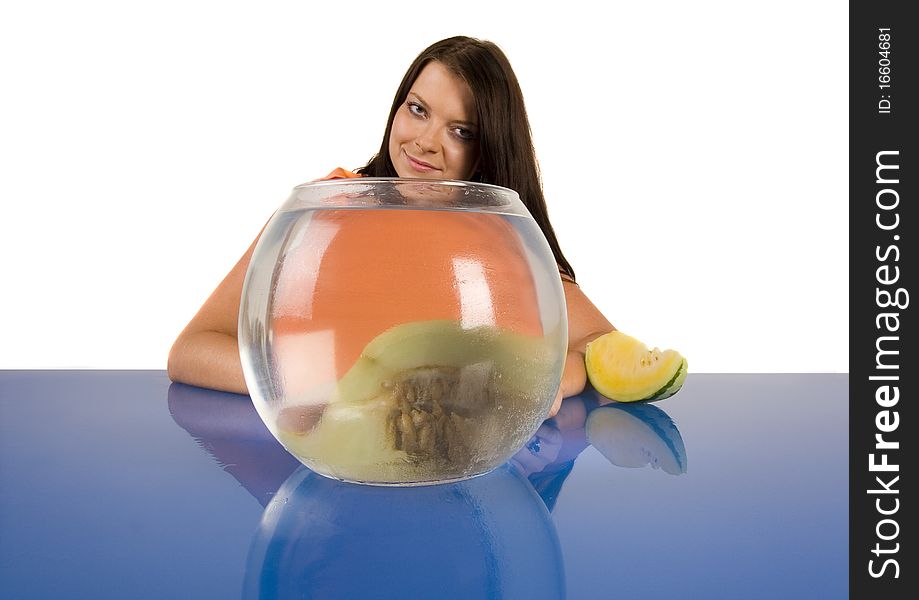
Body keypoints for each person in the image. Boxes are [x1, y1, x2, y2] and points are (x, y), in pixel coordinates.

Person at [167, 36, 615, 418]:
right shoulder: (319, 213)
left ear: (489, 150)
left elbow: (602, 343)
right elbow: (192, 350)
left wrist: (556, 380)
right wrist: (326, 390)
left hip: (461, 473)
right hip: (323, 464)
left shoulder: (502, 234)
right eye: (418, 109)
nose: (425, 141)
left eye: (461, 132)